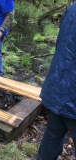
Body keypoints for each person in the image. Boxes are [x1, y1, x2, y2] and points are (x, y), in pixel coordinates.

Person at [37, 3, 76, 160]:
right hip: (72, 93)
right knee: (53, 134)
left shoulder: (73, 8)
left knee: (53, 135)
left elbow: (62, 43)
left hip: (59, 83)